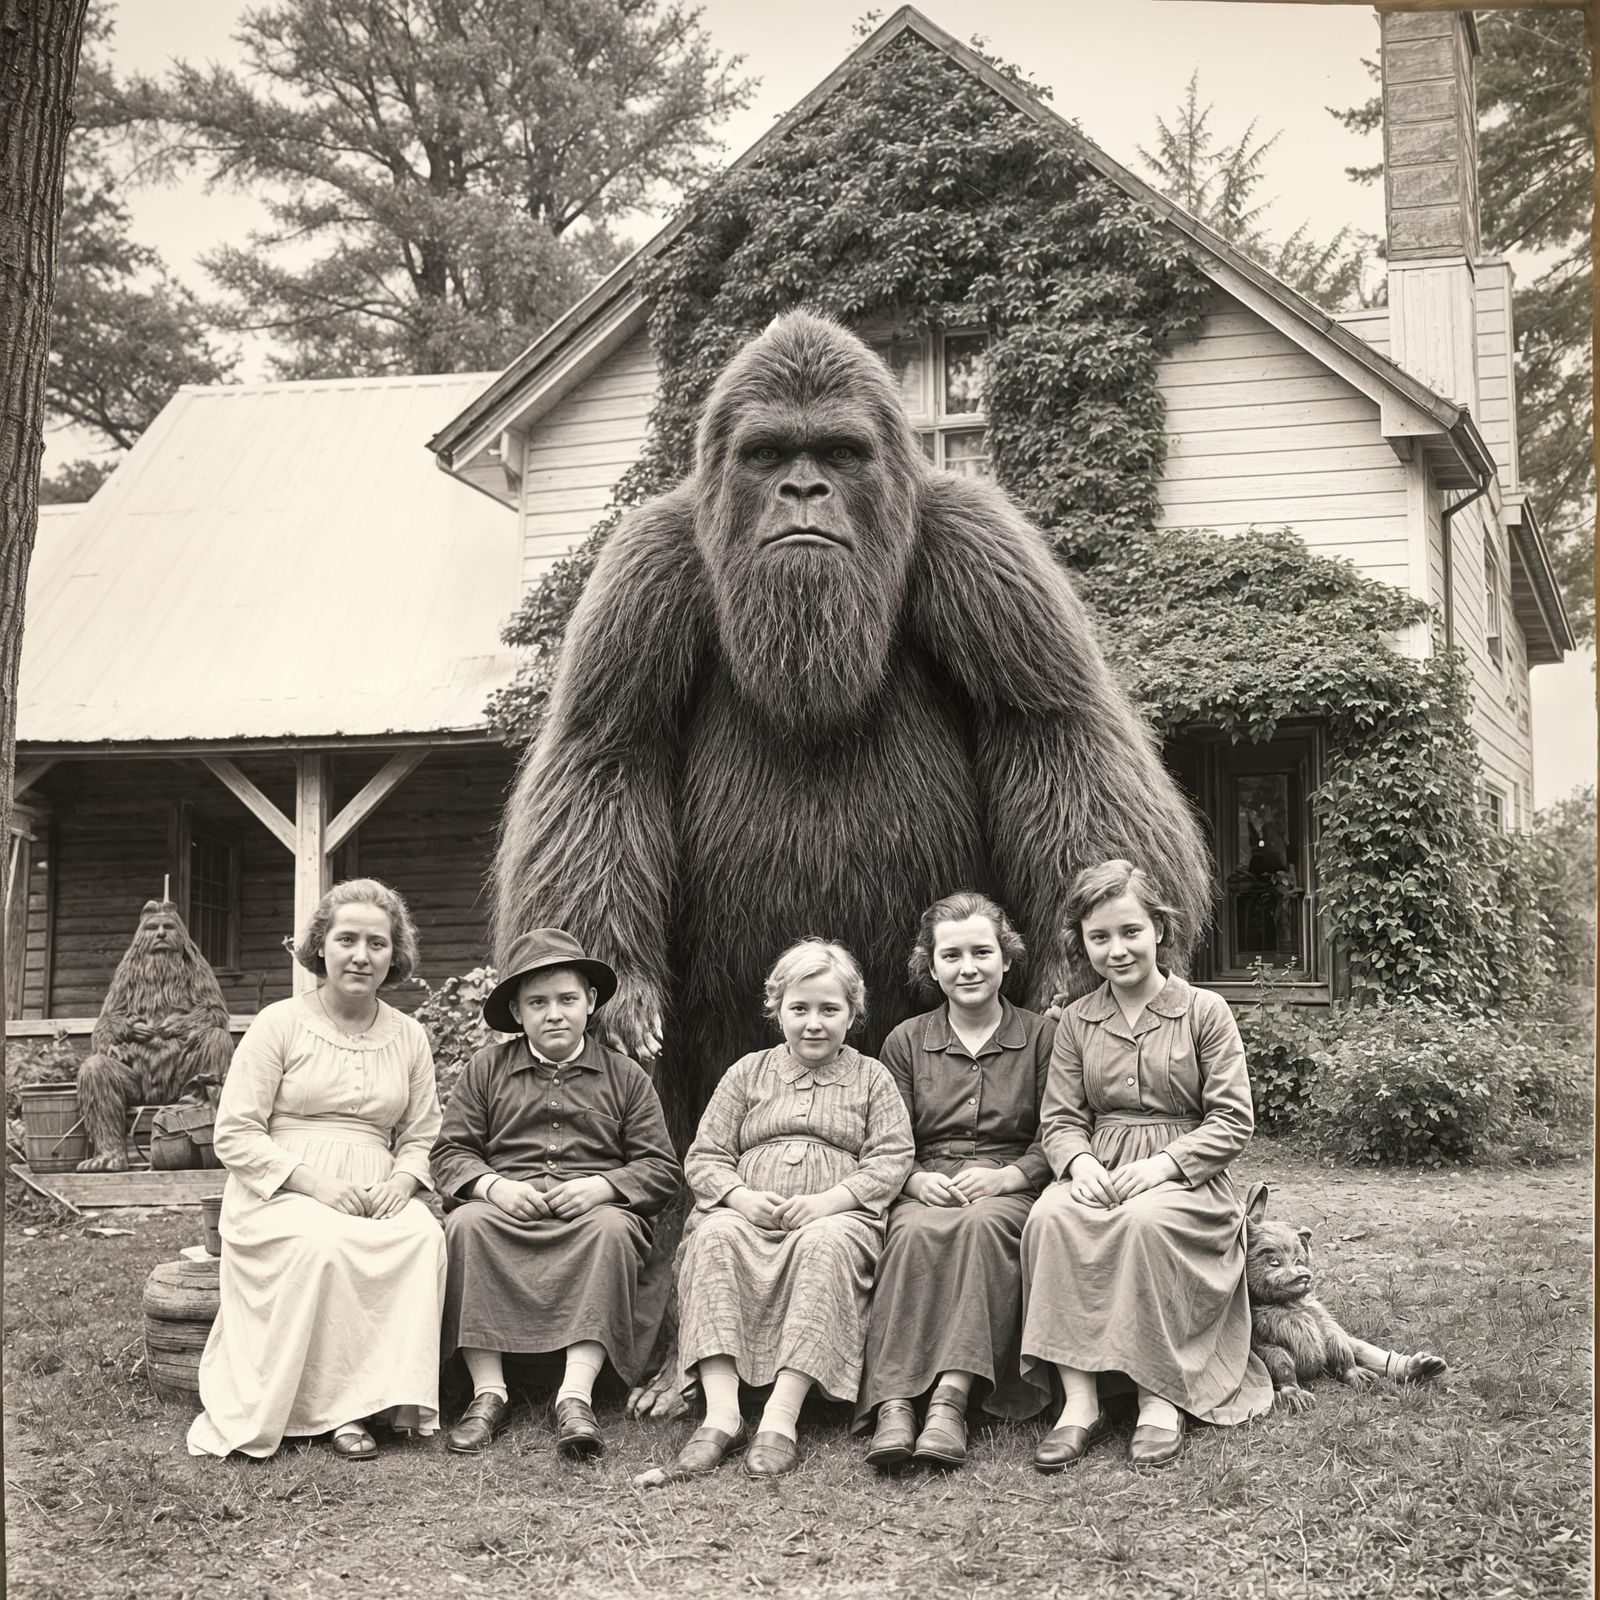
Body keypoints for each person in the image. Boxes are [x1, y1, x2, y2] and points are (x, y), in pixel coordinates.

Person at [1020, 860, 1272, 1472]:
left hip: (1187, 1176)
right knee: (1050, 1218)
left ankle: (1158, 1399)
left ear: (1159, 928)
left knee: (1144, 1223)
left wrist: (1164, 1166)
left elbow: (1233, 1120)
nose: (1117, 949)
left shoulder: (1204, 1011)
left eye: (1130, 931)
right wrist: (1078, 1165)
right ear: (1081, 943)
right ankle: (1078, 1402)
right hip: (1101, 1164)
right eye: (1099, 937)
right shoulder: (1078, 1021)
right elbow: (1060, 1118)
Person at [187, 879, 446, 1460]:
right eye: (347, 939)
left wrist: (403, 1182)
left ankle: (386, 1400)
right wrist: (315, 1184)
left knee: (421, 1237)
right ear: (320, 946)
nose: (361, 955)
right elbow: (234, 1131)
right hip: (282, 1187)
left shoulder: (409, 1036)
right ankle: (333, 1412)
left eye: (377, 943)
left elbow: (423, 1131)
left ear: (394, 954)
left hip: (374, 1185)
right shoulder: (280, 1023)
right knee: (322, 1244)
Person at [659, 939, 914, 1481]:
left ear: (853, 1013)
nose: (814, 1023)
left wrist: (828, 1202)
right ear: (777, 1010)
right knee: (715, 1237)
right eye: (799, 1009)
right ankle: (722, 1414)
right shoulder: (747, 1073)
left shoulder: (872, 1078)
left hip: (835, 1216)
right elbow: (705, 1156)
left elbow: (892, 1159)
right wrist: (740, 1198)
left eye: (829, 1009)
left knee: (824, 1247)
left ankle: (781, 1415)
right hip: (748, 1213)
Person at [430, 928, 681, 1459]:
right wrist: (492, 1187)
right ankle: (488, 1392)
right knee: (465, 1225)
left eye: (567, 999)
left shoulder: (627, 1077)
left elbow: (661, 1168)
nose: (554, 1014)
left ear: (590, 1003)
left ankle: (575, 1396)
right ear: (517, 1014)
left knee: (611, 1229)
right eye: (537, 1003)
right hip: (503, 1214)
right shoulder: (485, 1070)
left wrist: (603, 1187)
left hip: (592, 1218)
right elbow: (450, 1154)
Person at [855, 892, 1054, 1469]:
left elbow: (1057, 1130)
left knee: (985, 1227)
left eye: (981, 952)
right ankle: (893, 1404)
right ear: (931, 965)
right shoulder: (906, 1041)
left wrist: (1012, 1177)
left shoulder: (1041, 1037)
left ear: (1007, 959)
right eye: (951, 955)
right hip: (926, 1181)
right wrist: (913, 1181)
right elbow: (886, 1138)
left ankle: (950, 1399)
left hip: (1005, 1185)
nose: (968, 967)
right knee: (910, 1233)